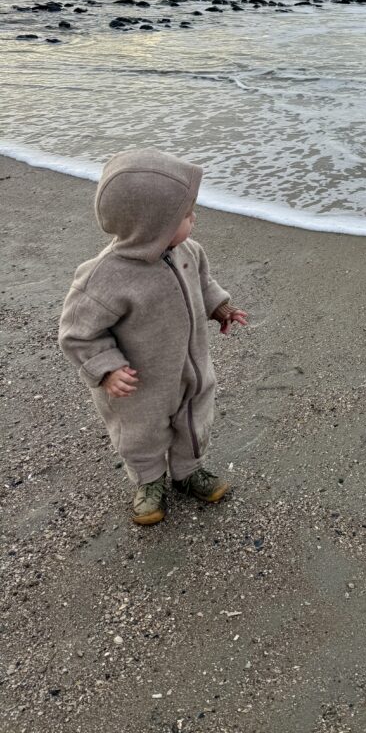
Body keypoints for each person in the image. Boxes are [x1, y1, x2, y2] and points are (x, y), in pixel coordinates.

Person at [59, 148, 247, 526]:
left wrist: (220, 308)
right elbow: (78, 333)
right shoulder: (106, 277)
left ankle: (187, 472)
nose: (194, 219)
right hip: (140, 382)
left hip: (192, 366)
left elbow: (203, 284)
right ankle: (149, 482)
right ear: (152, 225)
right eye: (185, 215)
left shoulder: (188, 251)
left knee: (194, 421)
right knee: (140, 434)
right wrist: (107, 369)